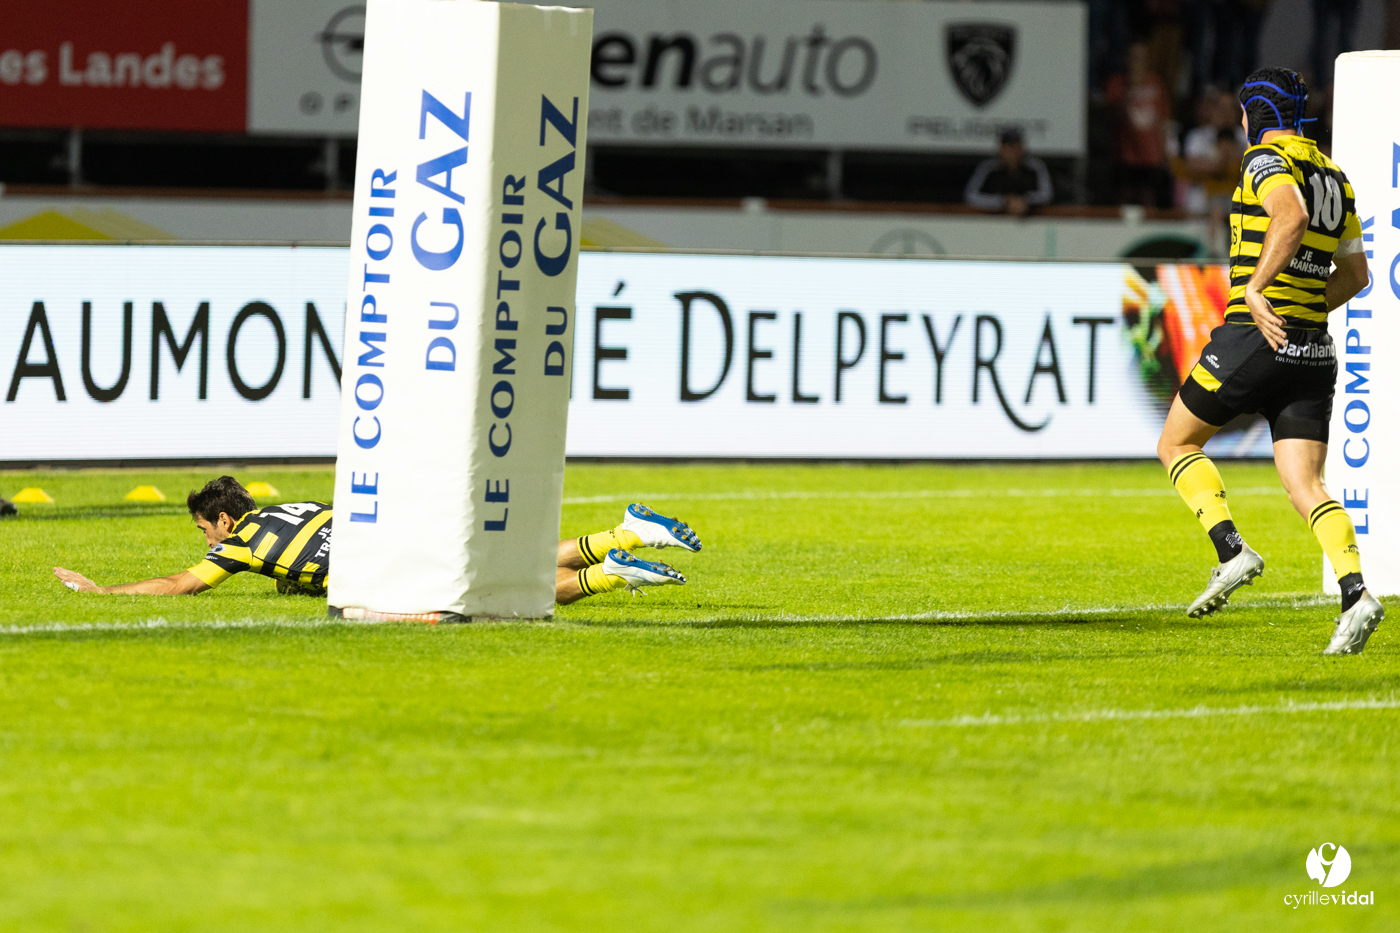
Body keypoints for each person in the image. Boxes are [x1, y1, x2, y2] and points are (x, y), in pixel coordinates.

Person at [1155, 68, 1379, 654]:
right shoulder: (1335, 174)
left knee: (1176, 443)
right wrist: (1304, 309)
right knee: (1306, 483)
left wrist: (1258, 291)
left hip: (1256, 335)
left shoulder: (1263, 161)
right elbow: (1357, 276)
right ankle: (1356, 593)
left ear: (1253, 115)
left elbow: (1289, 216)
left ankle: (1231, 548)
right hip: (1311, 345)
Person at [53, 475, 702, 605]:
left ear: (222, 521)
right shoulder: (291, 505)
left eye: (202, 528)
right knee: (505, 562)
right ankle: (619, 536)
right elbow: (309, 545)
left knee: (497, 597)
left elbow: (178, 584)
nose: (204, 538)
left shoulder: (239, 546)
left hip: (391, 568)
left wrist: (102, 588)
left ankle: (612, 571)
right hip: (401, 527)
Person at [1106, 42, 1171, 207]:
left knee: (1149, 198)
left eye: (1141, 58)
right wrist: (1131, 86)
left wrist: (1164, 153)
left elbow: (1162, 120)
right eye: (1134, 57)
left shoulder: (1155, 83)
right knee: (1125, 198)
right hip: (1126, 155)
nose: (1137, 62)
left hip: (1151, 156)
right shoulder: (1117, 84)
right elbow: (1115, 114)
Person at [964, 127, 1054, 217]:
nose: (1011, 152)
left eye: (1015, 147)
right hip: (993, 222)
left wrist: (1026, 200)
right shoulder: (988, 167)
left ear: (1022, 148)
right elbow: (971, 196)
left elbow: (1047, 194)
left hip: (1030, 222)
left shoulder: (1035, 166)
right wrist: (1004, 201)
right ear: (1000, 149)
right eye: (1007, 147)